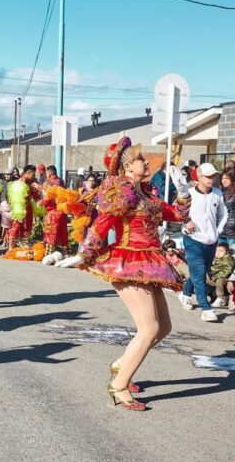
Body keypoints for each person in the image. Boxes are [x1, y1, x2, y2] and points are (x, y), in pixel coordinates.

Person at [58, 137, 190, 411]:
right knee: (149, 328)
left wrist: (185, 191)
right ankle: (119, 386)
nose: (146, 161)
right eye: (141, 159)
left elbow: (175, 215)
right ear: (128, 167)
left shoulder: (146, 195)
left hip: (150, 261)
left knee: (163, 328)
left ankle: (121, 364)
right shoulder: (123, 192)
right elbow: (103, 223)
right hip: (129, 260)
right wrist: (83, 255)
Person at [178, 163, 228, 321]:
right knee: (198, 273)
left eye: (213, 176)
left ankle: (185, 293)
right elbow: (177, 212)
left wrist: (218, 230)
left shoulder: (218, 194)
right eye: (208, 176)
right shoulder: (189, 193)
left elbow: (224, 213)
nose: (211, 179)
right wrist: (187, 222)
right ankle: (206, 309)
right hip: (193, 239)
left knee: (200, 272)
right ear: (198, 177)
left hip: (211, 240)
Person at [6, 164, 41, 250]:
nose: (34, 176)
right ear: (27, 173)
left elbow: (36, 198)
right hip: (18, 209)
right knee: (16, 226)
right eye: (32, 174)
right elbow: (9, 199)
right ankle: (11, 246)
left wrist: (39, 190)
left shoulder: (32, 184)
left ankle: (25, 245)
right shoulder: (17, 184)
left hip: (28, 209)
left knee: (28, 227)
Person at [206, 242, 235, 308]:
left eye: (221, 251)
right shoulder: (215, 258)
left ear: (227, 252)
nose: (218, 252)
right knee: (204, 279)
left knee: (219, 281)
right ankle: (207, 295)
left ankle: (220, 298)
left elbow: (227, 271)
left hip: (226, 278)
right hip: (214, 276)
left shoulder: (228, 259)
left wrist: (215, 276)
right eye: (217, 250)